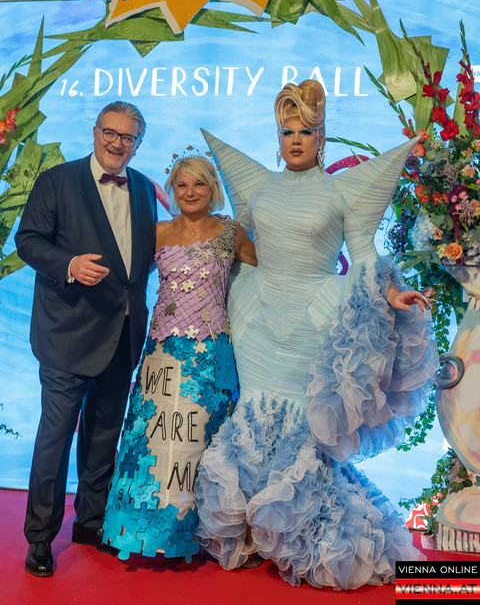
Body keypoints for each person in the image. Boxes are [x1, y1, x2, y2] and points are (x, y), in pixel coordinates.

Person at [194, 80, 438, 589]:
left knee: (300, 422)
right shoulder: (259, 187)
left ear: (322, 138)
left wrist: (391, 292)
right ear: (278, 138)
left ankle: (301, 532)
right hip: (256, 315)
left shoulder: (340, 191)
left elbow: (364, 255)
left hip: (315, 316)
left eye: (306, 132)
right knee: (252, 412)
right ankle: (251, 531)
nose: (296, 140)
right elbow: (234, 240)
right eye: (288, 132)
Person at [15, 102, 157, 577]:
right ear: (95, 133)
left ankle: (91, 521)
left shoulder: (143, 187)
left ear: (138, 143)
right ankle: (40, 537)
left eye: (128, 137)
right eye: (110, 133)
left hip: (122, 335)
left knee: (103, 436)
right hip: (67, 336)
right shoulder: (57, 180)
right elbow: (28, 241)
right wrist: (70, 266)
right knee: (54, 440)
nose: (117, 143)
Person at [102, 155, 257, 561]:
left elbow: (267, 282)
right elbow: (124, 279)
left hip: (212, 358)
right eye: (182, 185)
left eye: (198, 184)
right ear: (172, 190)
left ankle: (202, 533)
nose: (190, 193)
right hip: (161, 353)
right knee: (151, 441)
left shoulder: (231, 233)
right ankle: (137, 532)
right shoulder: (157, 232)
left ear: (213, 188)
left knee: (203, 444)